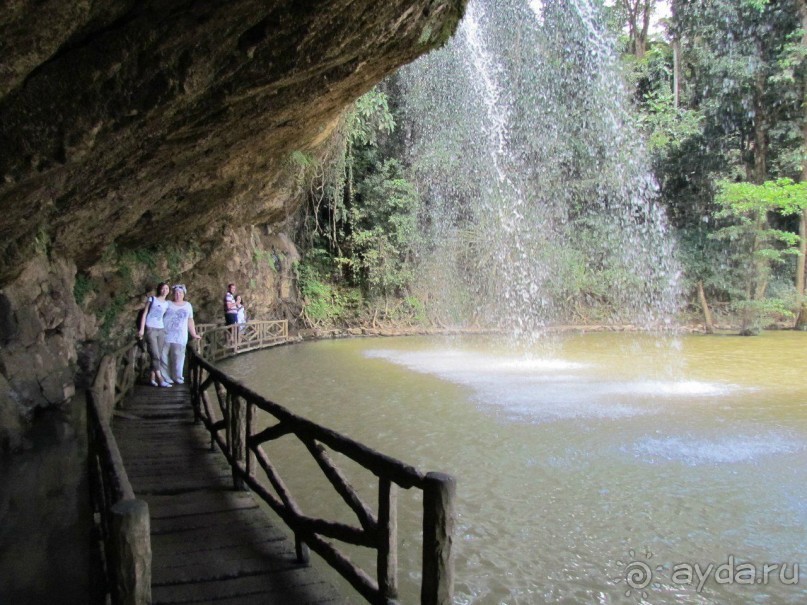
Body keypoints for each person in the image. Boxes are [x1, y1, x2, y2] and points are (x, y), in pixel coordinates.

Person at [163, 284, 201, 384]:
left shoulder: (188, 305)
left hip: (180, 336)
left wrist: (193, 334)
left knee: (178, 357)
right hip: (165, 335)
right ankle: (165, 377)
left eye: (180, 293)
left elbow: (190, 320)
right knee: (164, 357)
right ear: (173, 294)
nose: (178, 295)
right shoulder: (167, 303)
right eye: (176, 293)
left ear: (184, 294)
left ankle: (177, 377)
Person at [137, 282, 172, 387]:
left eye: (167, 288)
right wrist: (142, 329)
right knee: (155, 354)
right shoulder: (152, 299)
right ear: (159, 289)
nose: (165, 290)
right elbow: (144, 314)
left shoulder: (167, 304)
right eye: (163, 288)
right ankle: (160, 379)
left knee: (158, 355)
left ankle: (152, 378)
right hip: (150, 329)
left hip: (161, 329)